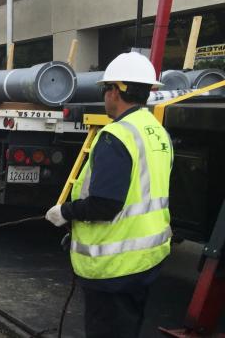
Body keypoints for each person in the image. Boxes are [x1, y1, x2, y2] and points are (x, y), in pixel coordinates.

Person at [45, 52, 173, 338]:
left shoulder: (116, 135)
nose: (105, 96)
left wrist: (65, 212)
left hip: (115, 264)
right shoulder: (157, 131)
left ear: (116, 91)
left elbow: (106, 204)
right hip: (147, 258)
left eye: (106, 89)